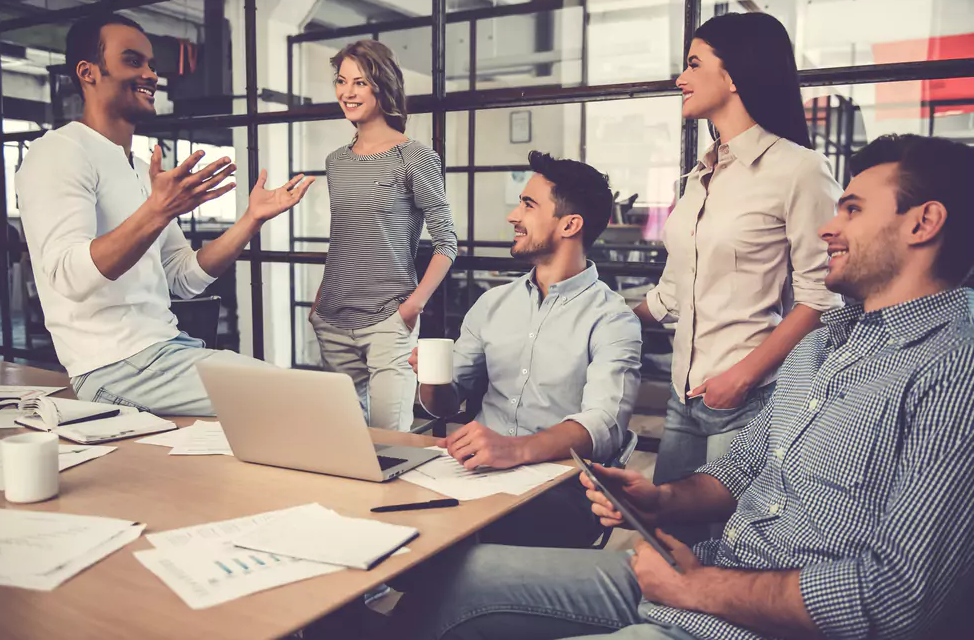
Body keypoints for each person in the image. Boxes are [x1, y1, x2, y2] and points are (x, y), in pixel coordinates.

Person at [391, 133, 974, 640]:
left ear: (923, 223)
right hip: (708, 573)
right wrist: (660, 500)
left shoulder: (953, 368)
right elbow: (742, 469)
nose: (827, 227)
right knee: (459, 578)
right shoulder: (821, 345)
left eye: (851, 210)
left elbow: (898, 597)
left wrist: (699, 587)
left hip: (745, 610)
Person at [15, 14, 312, 416]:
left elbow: (183, 278)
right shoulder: (59, 152)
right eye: (133, 61)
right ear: (88, 73)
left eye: (152, 64)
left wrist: (250, 220)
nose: (151, 74)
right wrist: (156, 211)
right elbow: (68, 276)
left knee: (308, 400)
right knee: (305, 400)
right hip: (114, 366)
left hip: (166, 350)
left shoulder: (139, 169)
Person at [632, 13, 844, 542]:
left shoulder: (799, 169)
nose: (680, 78)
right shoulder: (700, 175)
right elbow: (672, 291)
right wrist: (595, 319)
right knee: (666, 539)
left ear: (732, 75)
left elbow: (822, 299)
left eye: (693, 64)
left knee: (729, 547)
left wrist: (742, 377)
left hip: (748, 398)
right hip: (683, 395)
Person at [410, 151, 642, 549]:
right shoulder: (493, 303)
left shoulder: (613, 319)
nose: (513, 216)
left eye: (528, 205)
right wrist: (433, 379)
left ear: (570, 224)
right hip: (473, 472)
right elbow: (445, 404)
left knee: (457, 543)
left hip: (558, 486)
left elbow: (604, 425)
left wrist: (514, 450)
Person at [308, 39, 457, 432]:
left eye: (360, 82)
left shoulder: (415, 157)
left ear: (382, 86)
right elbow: (345, 237)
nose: (347, 92)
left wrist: (413, 306)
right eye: (342, 81)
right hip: (332, 320)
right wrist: (320, 302)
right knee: (344, 440)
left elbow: (446, 242)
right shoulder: (336, 161)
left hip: (389, 322)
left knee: (391, 442)